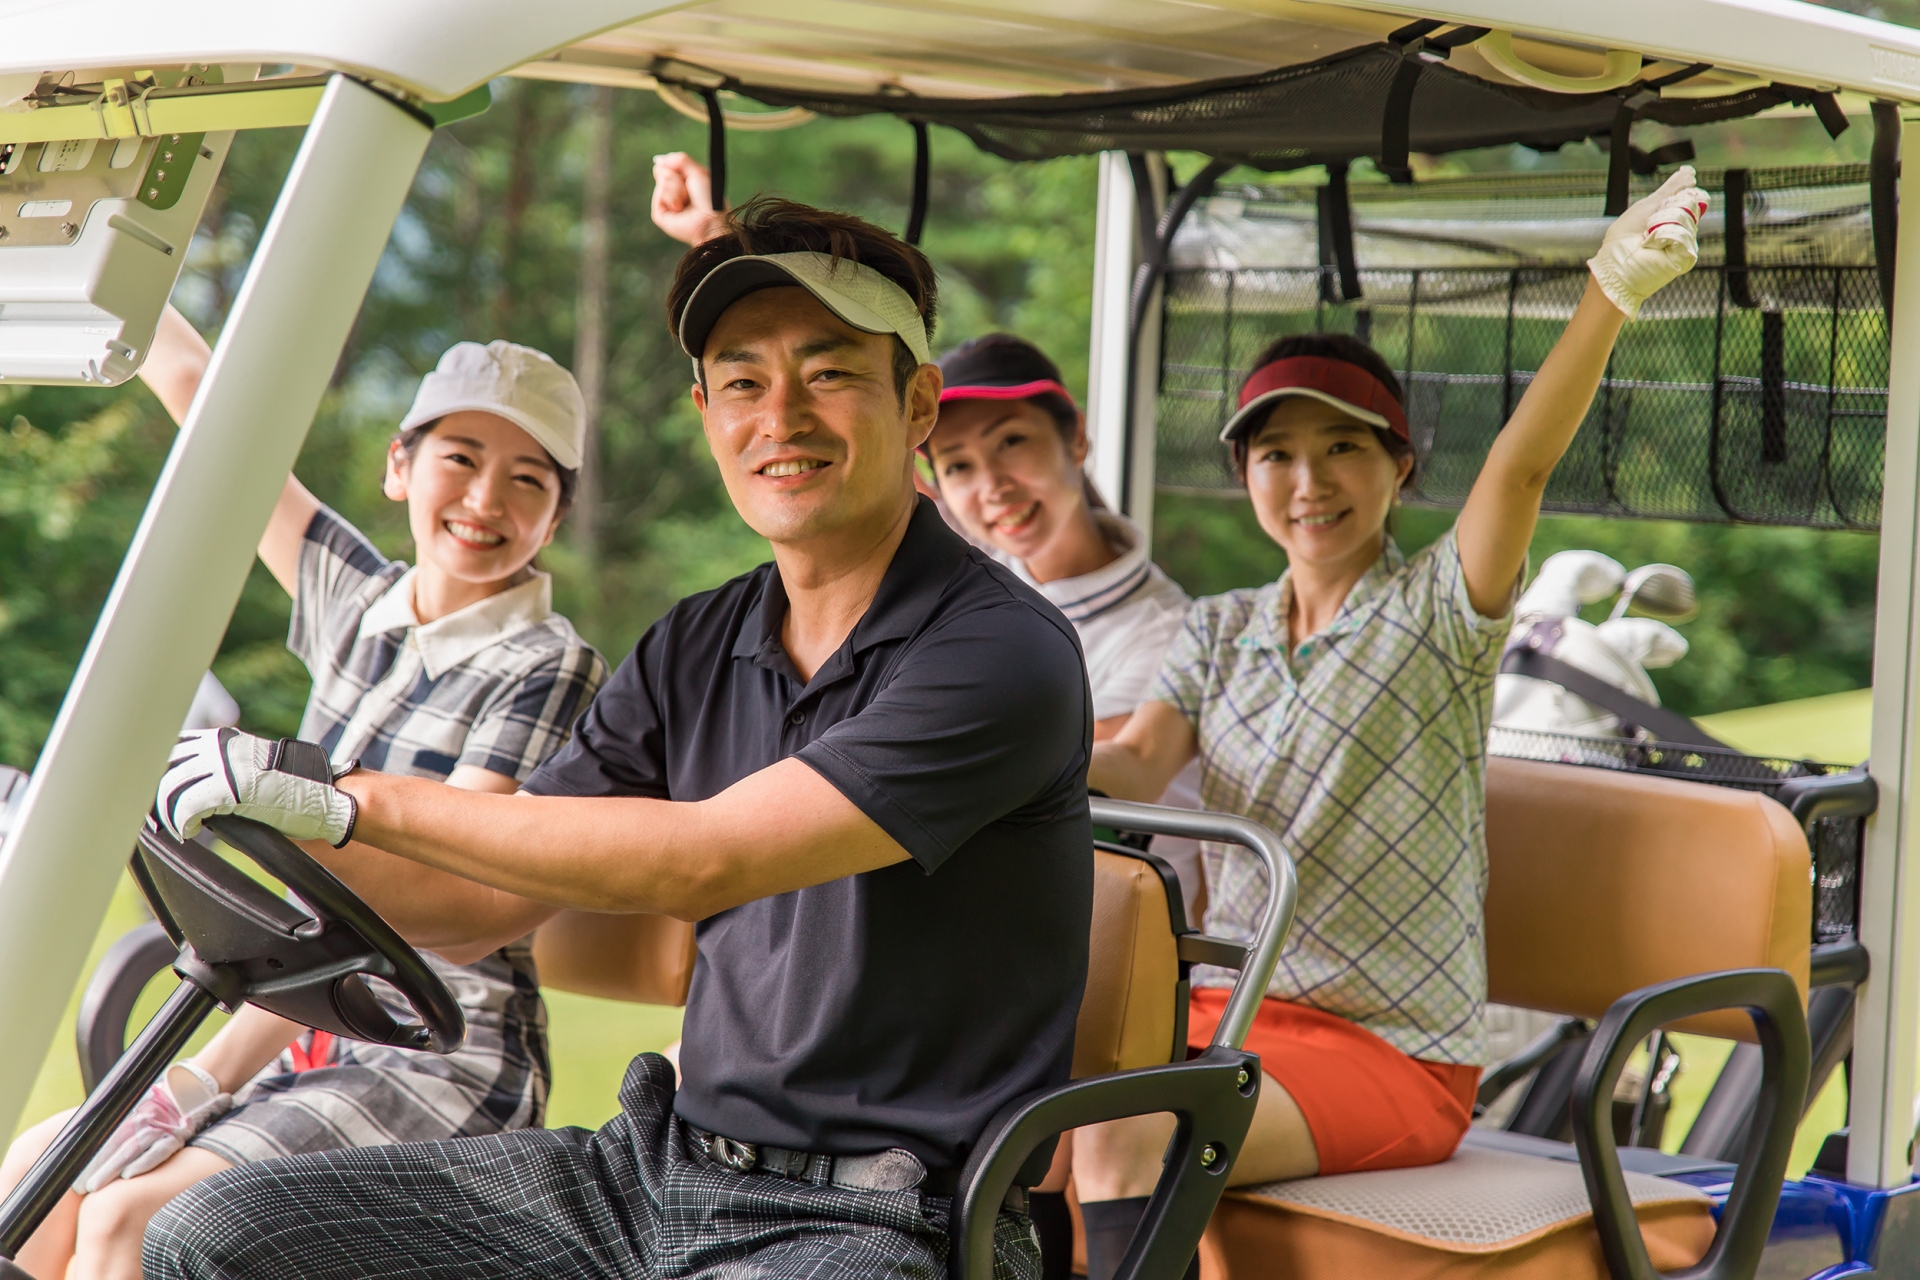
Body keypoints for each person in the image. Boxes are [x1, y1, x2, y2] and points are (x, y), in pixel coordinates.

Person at [143, 197, 1092, 1280]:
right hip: (655, 1168)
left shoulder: (1000, 652)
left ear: (918, 401)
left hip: (889, 1216)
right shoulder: (697, 640)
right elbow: (489, 895)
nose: (779, 417)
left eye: (828, 373)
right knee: (214, 1234)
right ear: (705, 412)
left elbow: (709, 853)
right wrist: (252, 847)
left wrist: (342, 796)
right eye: (743, 381)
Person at [1067, 170, 1710, 1280]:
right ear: (1244, 475)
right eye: (1277, 453)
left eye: (1344, 448)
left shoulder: (1437, 614)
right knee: (1006, 1095)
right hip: (1223, 1011)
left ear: (1400, 466)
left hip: (1390, 1046)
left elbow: (1523, 464)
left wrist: (1609, 290)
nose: (1309, 480)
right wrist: (972, 756)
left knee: (1129, 1133)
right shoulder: (1219, 630)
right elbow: (1132, 759)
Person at [0, 315, 607, 1280]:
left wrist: (205, 1075)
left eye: (528, 479)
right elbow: (207, 398)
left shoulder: (546, 665)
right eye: (461, 456)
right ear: (399, 468)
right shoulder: (357, 606)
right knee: (36, 1176)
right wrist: (119, 245)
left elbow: (436, 901)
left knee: (130, 1219)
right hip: (294, 1024)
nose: (487, 498)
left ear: (555, 516)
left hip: (434, 1043)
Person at [922, 333, 1198, 1278]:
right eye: (958, 464)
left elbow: (1088, 782)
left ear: (1074, 442)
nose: (989, 483)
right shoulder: (973, 604)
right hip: (1010, 957)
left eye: (1012, 445)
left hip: (1114, 970)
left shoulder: (1165, 632)